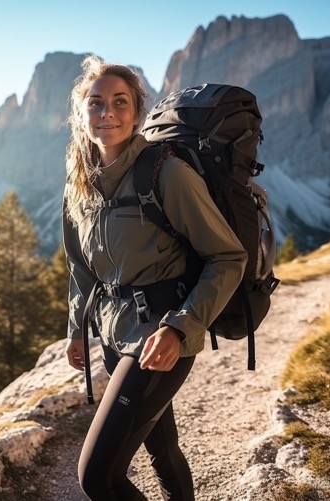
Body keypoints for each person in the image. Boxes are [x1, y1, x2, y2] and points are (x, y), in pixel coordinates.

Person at [62, 55, 248, 500]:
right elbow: (80, 265)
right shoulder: (79, 182)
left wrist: (179, 328)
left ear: (137, 113)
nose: (107, 113)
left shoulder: (166, 172)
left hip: (162, 336)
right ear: (81, 113)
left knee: (97, 478)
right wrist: (75, 330)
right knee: (163, 449)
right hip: (113, 334)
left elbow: (227, 256)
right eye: (96, 103)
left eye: (120, 102)